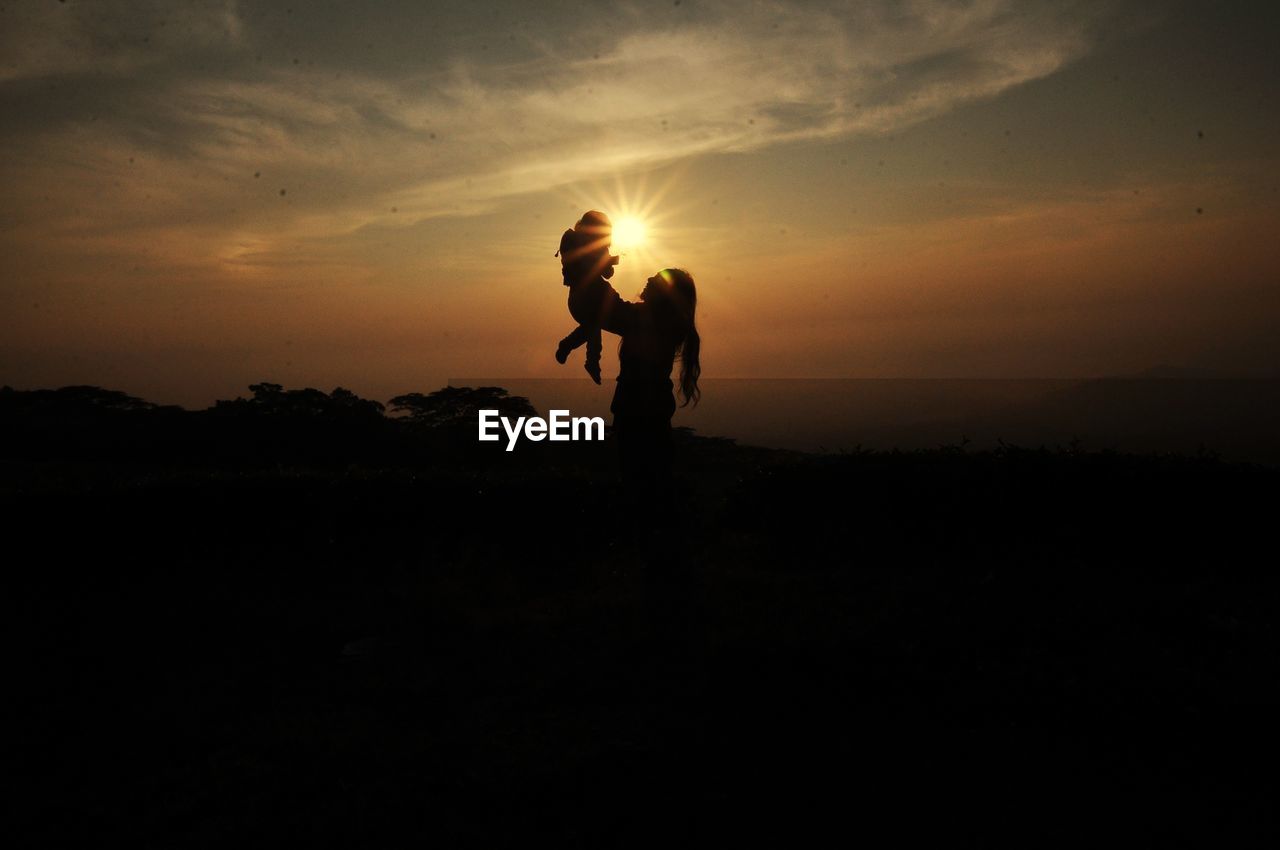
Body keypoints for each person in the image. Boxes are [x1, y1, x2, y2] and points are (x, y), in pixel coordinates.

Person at [554, 210, 621, 385]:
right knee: (594, 322)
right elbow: (577, 262)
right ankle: (578, 352)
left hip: (592, 298)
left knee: (593, 323)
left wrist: (609, 261)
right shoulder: (571, 239)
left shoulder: (598, 246)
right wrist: (603, 260)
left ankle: (589, 359)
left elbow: (607, 273)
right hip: (582, 297)